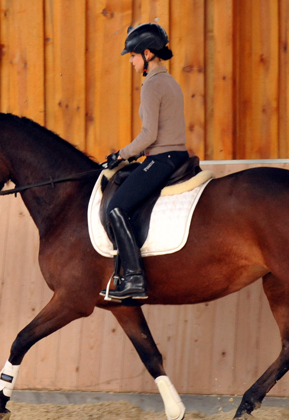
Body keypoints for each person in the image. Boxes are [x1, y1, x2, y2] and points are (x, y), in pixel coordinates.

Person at [101, 23, 189, 300]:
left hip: (163, 158)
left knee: (116, 207)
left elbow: (149, 134)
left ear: (147, 54)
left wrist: (121, 154)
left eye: (133, 55)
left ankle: (134, 278)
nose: (130, 61)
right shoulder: (170, 81)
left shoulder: (152, 85)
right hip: (175, 155)